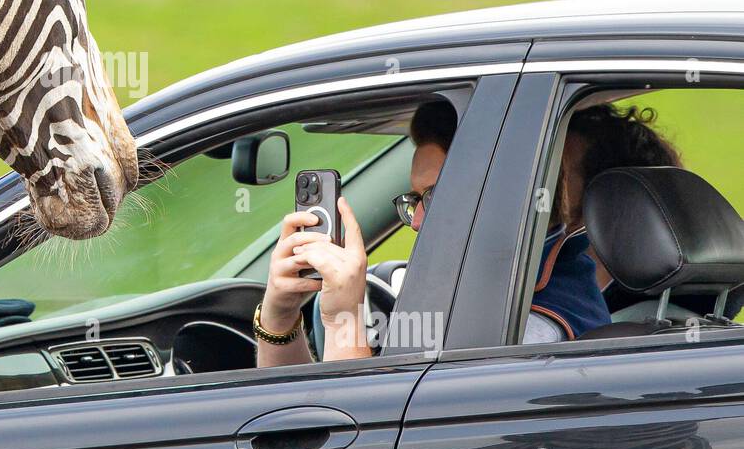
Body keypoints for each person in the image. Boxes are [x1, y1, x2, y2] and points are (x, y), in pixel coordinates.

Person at [251, 99, 681, 364]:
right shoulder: (515, 305)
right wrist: (280, 315)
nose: (417, 221)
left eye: (439, 196)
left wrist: (343, 317)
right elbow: (293, 432)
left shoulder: (528, 332)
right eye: (416, 199)